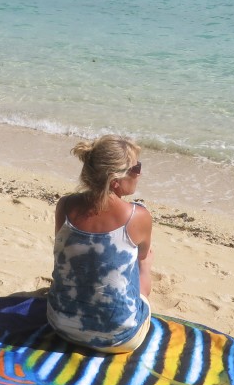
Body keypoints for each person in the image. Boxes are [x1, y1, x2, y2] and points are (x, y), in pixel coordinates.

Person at [46, 135, 154, 353]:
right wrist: (146, 265)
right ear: (115, 181)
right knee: (143, 261)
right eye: (136, 168)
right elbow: (142, 255)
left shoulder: (65, 205)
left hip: (60, 326)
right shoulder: (137, 216)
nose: (139, 173)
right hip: (120, 338)